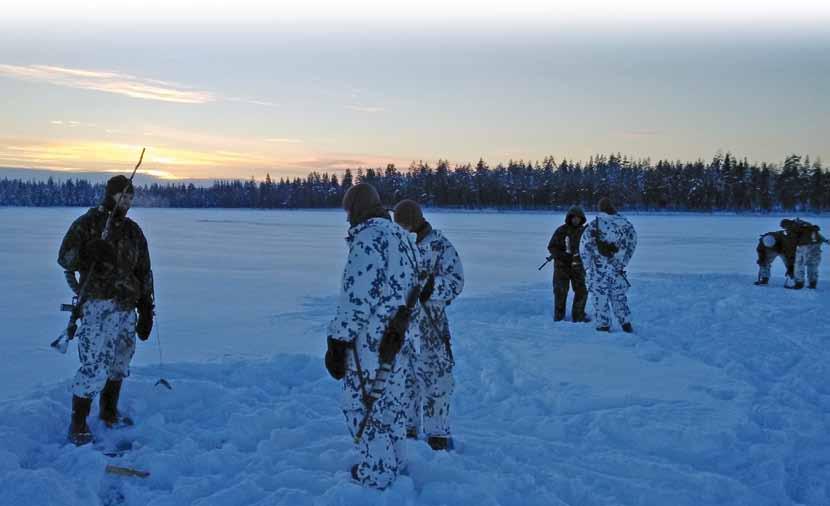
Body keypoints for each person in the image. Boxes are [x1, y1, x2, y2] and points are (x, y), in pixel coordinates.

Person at [324, 183, 421, 489]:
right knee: (391, 403)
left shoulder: (369, 239)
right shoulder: (402, 238)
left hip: (371, 344)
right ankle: (394, 462)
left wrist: (337, 341)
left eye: (348, 211)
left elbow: (357, 300)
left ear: (356, 210)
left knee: (362, 405)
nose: (347, 218)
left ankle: (377, 473)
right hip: (400, 338)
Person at [57, 175, 154, 446]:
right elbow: (64, 257)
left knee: (120, 360)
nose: (127, 201)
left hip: (126, 306)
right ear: (109, 195)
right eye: (122, 196)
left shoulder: (133, 231)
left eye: (131, 197)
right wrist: (88, 251)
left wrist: (146, 306)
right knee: (95, 363)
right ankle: (78, 423)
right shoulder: (88, 224)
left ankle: (109, 412)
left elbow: (144, 270)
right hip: (99, 304)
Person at [393, 199, 464, 451]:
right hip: (401, 329)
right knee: (404, 381)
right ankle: (407, 430)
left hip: (431, 328)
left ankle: (438, 435)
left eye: (405, 223)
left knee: (437, 381)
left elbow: (456, 281)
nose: (403, 228)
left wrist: (431, 288)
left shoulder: (439, 245)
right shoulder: (396, 245)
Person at [580, 197, 637, 333]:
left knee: (600, 297)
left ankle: (603, 326)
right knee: (618, 297)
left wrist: (586, 265)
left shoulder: (595, 224)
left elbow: (584, 246)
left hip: (598, 269)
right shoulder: (626, 224)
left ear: (600, 208)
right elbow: (632, 243)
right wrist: (624, 261)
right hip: (616, 269)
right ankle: (626, 324)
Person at [546, 206, 589, 322]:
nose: (576, 220)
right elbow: (551, 247)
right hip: (562, 267)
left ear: (582, 219)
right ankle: (559, 317)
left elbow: (590, 248)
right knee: (560, 292)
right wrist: (563, 256)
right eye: (574, 217)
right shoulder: (561, 230)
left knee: (582, 291)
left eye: (578, 218)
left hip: (578, 267)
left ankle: (578, 315)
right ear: (569, 218)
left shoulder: (585, 232)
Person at [781, 218, 827, 289]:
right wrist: (825, 240)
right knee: (812, 265)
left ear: (786, 225)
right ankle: (813, 283)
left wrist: (790, 256)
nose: (784, 229)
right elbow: (816, 232)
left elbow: (792, 241)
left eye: (783, 227)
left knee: (799, 264)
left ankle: (799, 283)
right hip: (816, 244)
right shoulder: (805, 224)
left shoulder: (792, 227)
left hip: (804, 246)